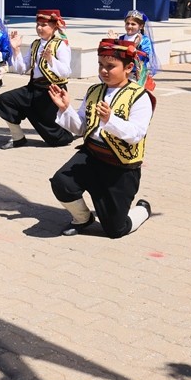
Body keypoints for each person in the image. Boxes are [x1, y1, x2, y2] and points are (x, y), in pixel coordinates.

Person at [47, 39, 155, 239]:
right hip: (92, 155)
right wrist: (65, 108)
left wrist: (110, 119)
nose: (104, 70)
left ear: (128, 67)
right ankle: (82, 218)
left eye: (111, 66)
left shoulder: (140, 97)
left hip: (120, 166)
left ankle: (142, 209)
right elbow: (81, 127)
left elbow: (136, 134)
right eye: (101, 65)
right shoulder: (94, 91)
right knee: (62, 182)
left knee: (115, 230)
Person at [0, 9, 75, 149]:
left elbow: (66, 73)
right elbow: (21, 69)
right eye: (38, 24)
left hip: (52, 93)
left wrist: (51, 60)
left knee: (57, 139)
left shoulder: (61, 45)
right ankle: (18, 137)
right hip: (33, 89)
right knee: (5, 100)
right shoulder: (35, 44)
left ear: (54, 26)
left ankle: (74, 130)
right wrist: (16, 50)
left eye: (44, 25)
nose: (39, 28)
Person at [107, 10, 160, 89]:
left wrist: (135, 47)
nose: (129, 26)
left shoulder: (144, 40)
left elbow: (145, 57)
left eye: (133, 24)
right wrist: (112, 42)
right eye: (127, 23)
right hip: (122, 72)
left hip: (136, 74)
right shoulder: (121, 38)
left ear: (141, 26)